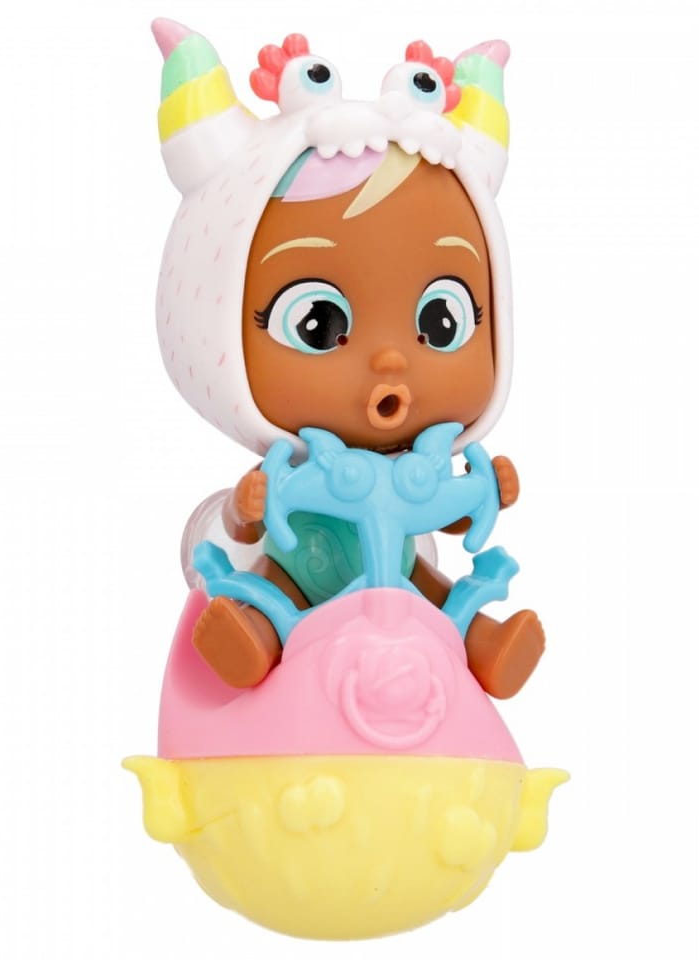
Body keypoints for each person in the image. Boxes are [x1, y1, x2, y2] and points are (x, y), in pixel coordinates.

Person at [151, 22, 545, 697]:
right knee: (271, 593)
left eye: (440, 322)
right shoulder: (289, 468)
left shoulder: (423, 462)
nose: (390, 359)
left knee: (435, 594)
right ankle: (248, 640)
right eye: (319, 324)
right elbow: (247, 521)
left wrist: (484, 491)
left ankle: (487, 645)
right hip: (297, 566)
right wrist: (248, 506)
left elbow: (447, 511)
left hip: (398, 581)